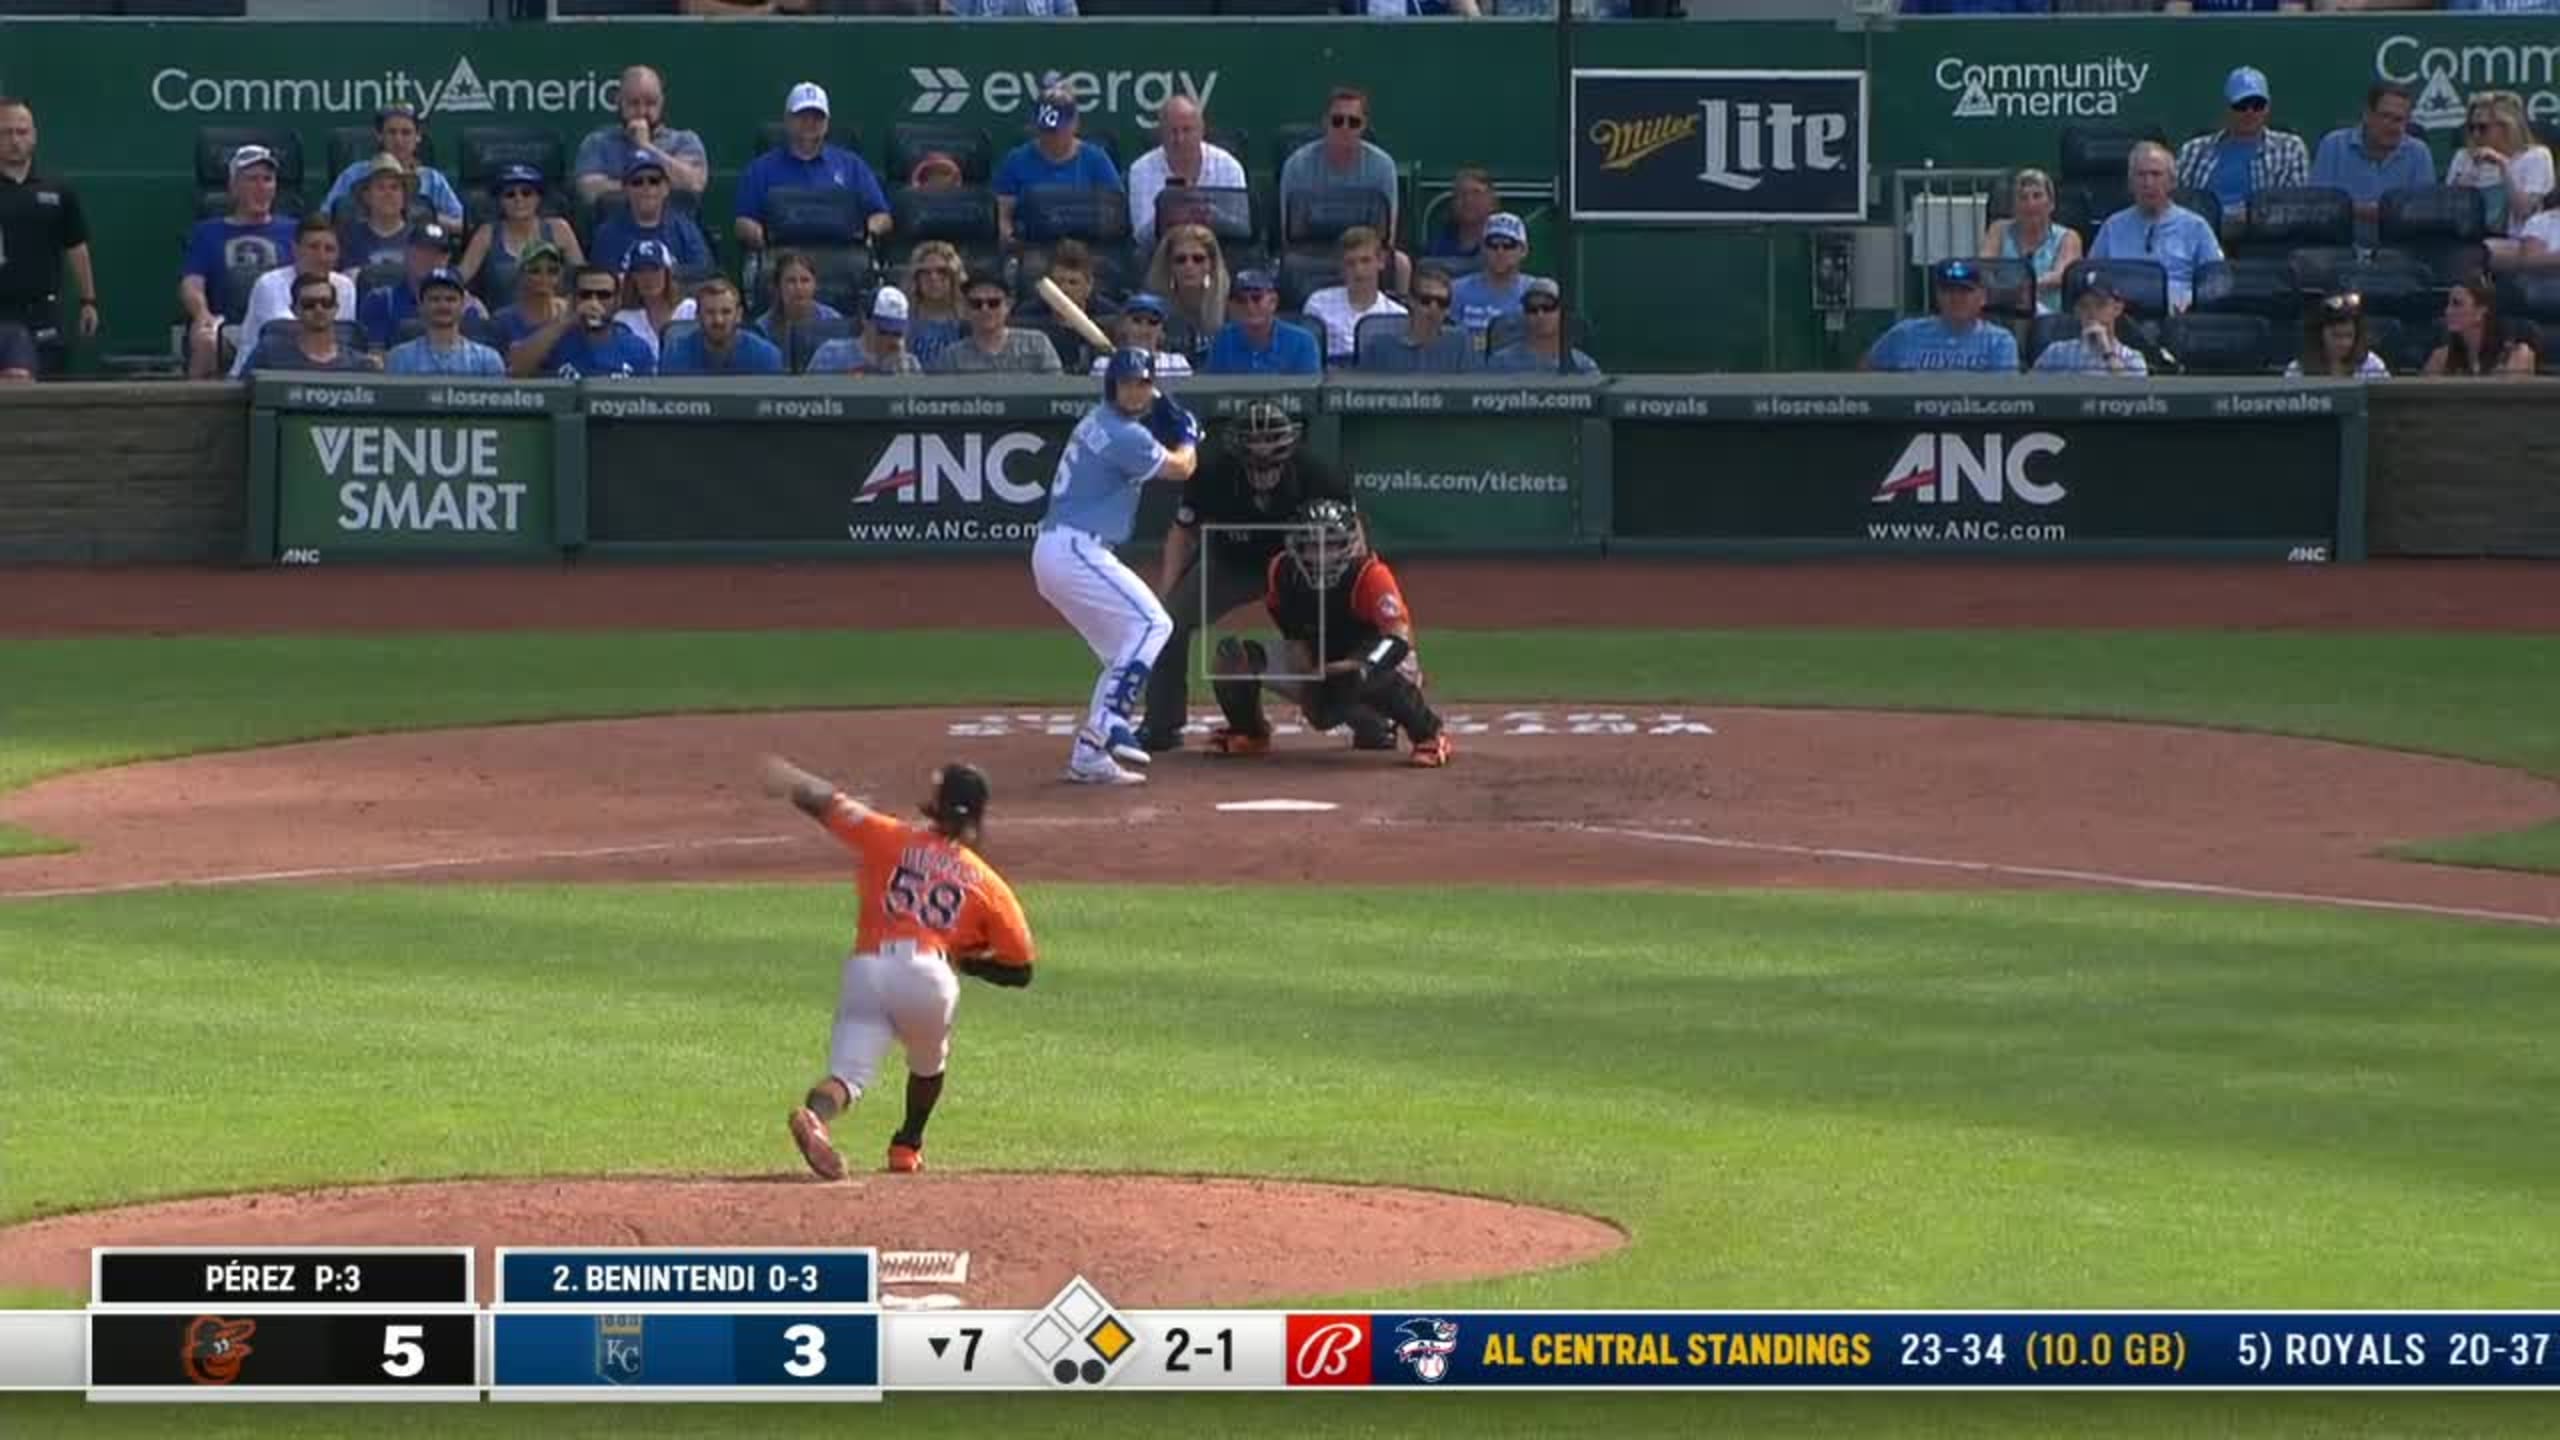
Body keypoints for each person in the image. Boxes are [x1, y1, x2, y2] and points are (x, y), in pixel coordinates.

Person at [761, 754, 1035, 1180]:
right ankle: (907, 1146)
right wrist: (966, 962)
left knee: (847, 1077)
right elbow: (1020, 969)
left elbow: (824, 800)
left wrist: (783, 775)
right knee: (929, 1064)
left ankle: (816, 1118)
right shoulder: (987, 883)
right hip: (929, 977)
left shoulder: (888, 836)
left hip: (868, 970)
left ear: (936, 802)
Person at [1137, 401, 1350, 752]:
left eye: (1271, 442)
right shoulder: (1212, 472)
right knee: (1168, 624)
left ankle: (1371, 719)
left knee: (1339, 634)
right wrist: (1167, 593)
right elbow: (1183, 532)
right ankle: (1162, 724)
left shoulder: (1317, 474)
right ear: (1236, 445)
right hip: (1230, 564)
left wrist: (1349, 591)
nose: (1263, 452)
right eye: (1255, 443)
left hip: (1298, 569)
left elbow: (1352, 535)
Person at [1032, 347, 1201, 786]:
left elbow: (1141, 442)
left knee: (1122, 654)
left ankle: (1089, 755)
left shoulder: (1100, 421)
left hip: (1060, 551)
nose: (1135, 391)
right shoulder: (1124, 435)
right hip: (1074, 549)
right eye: (1127, 384)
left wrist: (1162, 423)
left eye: (1143, 384)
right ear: (1113, 386)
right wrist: (1187, 434)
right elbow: (1182, 468)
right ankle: (1110, 719)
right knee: (1154, 624)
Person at [1203, 497, 1453, 770]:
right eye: (1313, 546)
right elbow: (1287, 622)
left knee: (1368, 683)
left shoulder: (1368, 575)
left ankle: (1429, 735)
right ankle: (1250, 734)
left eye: (1331, 545)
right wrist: (1304, 659)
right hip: (1320, 658)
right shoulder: (1281, 572)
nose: (1322, 555)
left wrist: (1358, 665)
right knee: (1233, 659)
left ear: (1348, 545)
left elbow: (1398, 638)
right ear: (1296, 546)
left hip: (1376, 657)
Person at [179, 144, 298, 378]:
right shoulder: (207, 233)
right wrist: (202, 314)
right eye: (252, 179)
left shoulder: (294, 231)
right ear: (233, 187)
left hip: (282, 325)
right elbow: (191, 284)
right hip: (229, 325)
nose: (261, 187)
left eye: (267, 179)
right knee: (204, 338)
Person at [0, 97, 99, 372]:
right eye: (6, 132)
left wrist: (88, 301)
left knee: (46, 384)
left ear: (34, 136)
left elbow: (76, 246)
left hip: (44, 312)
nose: (15, 140)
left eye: (22, 132)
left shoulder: (57, 189)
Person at [734, 82, 892, 254]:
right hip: (782, 258)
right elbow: (742, 222)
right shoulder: (760, 169)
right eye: (802, 116)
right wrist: (758, 236)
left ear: (827, 123)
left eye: (817, 117)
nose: (809, 123)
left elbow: (882, 216)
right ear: (787, 120)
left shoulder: (852, 165)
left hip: (842, 257)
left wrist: (868, 231)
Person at [1279, 87, 1403, 286]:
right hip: (1312, 255)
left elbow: (1387, 236)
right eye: (1337, 121)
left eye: (1353, 122)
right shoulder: (1297, 164)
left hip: (1363, 252)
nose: (1345, 128)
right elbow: (1289, 235)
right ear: (1325, 123)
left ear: (1363, 126)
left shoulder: (1383, 166)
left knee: (1402, 264)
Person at [2090, 141, 2222, 313]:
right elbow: (2091, 276)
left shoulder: (2196, 227)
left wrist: (2191, 300)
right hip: (2123, 314)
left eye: (2156, 174)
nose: (2148, 183)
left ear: (2172, 182)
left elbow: (2218, 281)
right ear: (2130, 183)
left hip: (2178, 316)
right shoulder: (2112, 226)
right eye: (2141, 175)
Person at [2171, 67, 2310, 229]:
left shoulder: (2290, 149)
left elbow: (2292, 209)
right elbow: (2174, 202)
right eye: (2241, 105)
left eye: (2257, 105)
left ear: (2268, 107)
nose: (2250, 112)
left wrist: (2244, 218)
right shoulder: (2193, 150)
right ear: (2227, 107)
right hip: (2200, 232)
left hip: (2262, 236)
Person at [222, 216, 356, 380]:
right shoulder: (269, 284)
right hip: (265, 371)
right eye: (313, 247)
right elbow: (281, 338)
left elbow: (343, 339)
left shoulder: (345, 286)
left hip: (327, 372)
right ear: (295, 250)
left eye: (329, 249)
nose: (321, 256)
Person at [991, 87, 1122, 251]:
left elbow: (1115, 213)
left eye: (1059, 129)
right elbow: (1003, 214)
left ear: (1074, 123)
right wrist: (1008, 235)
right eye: (1047, 130)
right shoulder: (1016, 160)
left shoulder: (1096, 159)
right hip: (1033, 249)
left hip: (1088, 249)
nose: (1053, 136)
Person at [1127, 95, 1247, 253]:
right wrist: (1168, 213)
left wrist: (1209, 213)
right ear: (1161, 134)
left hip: (1219, 250)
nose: (1180, 139)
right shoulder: (1141, 170)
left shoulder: (1228, 166)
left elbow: (1241, 227)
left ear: (1201, 131)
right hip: (1163, 253)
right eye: (1172, 132)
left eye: (1187, 130)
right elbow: (1141, 236)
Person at [574, 64, 709, 203]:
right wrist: (652, 187)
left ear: (661, 102)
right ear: (618, 101)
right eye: (634, 103)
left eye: (650, 103)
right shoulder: (598, 143)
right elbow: (589, 191)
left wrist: (646, 146)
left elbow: (695, 184)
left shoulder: (684, 141)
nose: (642, 111)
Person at [2310, 82, 2435, 229]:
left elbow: (2423, 212)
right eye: (2385, 116)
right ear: (2367, 115)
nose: (2392, 126)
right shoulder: (2333, 145)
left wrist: (2354, 210)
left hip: (2399, 239)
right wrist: (2367, 212)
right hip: (2342, 238)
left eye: (2399, 119)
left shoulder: (2419, 153)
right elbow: (2318, 206)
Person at [458, 163, 584, 308]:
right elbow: (459, 278)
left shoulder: (559, 229)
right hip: (499, 318)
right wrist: (472, 302)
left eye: (526, 193)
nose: (519, 199)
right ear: (500, 201)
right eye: (510, 195)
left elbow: (582, 279)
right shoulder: (487, 233)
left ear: (538, 198)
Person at [1862, 259, 2021, 372]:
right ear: (1937, 295)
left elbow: (2003, 398)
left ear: (1983, 297)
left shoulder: (1998, 342)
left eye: (1965, 291)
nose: (1956, 298)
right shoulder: (1905, 333)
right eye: (1948, 291)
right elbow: (1866, 374)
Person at [318, 104, 462, 227]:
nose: (398, 140)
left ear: (418, 137)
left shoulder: (433, 180)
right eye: (392, 132)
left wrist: (428, 218)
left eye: (406, 133)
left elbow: (460, 224)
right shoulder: (354, 174)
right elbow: (324, 217)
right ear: (379, 136)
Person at [511, 262, 657, 378]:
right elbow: (516, 368)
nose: (594, 302)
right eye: (585, 295)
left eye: (603, 295)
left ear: (617, 301)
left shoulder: (636, 349)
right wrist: (568, 320)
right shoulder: (553, 341)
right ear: (574, 299)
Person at [2445, 91, 2553, 244]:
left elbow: (2524, 212)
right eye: (2471, 127)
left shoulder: (2536, 157)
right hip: (2469, 240)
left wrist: (2503, 166)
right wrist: (2465, 183)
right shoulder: (2463, 157)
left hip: (2516, 242)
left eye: (2483, 128)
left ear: (2507, 127)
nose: (2476, 134)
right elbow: (2448, 212)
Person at [356, 223, 476, 349]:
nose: (430, 258)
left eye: (438, 253)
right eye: (423, 251)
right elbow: (375, 353)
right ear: (407, 252)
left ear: (447, 258)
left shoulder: (462, 304)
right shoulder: (381, 301)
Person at [1979, 169, 2081, 316]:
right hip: (2005, 313)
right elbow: (1984, 268)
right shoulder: (1998, 230)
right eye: (2023, 197)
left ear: (2051, 204)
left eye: (2037, 196)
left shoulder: (2068, 237)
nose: (2030, 203)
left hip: (2050, 318)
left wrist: (2024, 288)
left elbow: (2062, 276)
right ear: (2014, 206)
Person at [591, 151, 712, 273]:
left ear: (666, 188)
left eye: (654, 181)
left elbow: (703, 269)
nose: (646, 187)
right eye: (637, 182)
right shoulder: (607, 234)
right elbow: (603, 277)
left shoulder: (685, 229)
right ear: (626, 190)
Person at [1301, 226, 1406, 364]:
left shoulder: (1397, 316)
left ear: (1380, 262)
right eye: (1350, 263)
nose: (1358, 270)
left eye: (1365, 261)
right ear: (1341, 268)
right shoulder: (1318, 304)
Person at [931, 271, 1064, 373]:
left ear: (1008, 305)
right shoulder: (952, 357)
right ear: (966, 309)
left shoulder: (1037, 344)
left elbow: (1057, 390)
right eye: (976, 304)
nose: (985, 309)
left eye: (993, 303)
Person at [242, 272, 372, 375]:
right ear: (294, 310)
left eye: (326, 303)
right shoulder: (268, 354)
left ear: (336, 308)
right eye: (309, 304)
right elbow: (241, 392)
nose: (319, 309)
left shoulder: (358, 364)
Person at [384, 268, 505, 376]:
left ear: (463, 305)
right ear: (420, 305)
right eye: (434, 299)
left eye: (450, 299)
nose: (443, 305)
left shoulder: (487, 359)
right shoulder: (401, 357)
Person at [654, 276, 783, 375]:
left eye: (726, 312)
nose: (718, 320)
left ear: (739, 315)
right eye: (710, 312)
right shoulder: (675, 356)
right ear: (697, 316)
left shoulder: (766, 356)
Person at [2028, 270, 2149, 376]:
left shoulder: (2132, 358)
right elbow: (2029, 389)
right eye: (2084, 306)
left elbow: (2131, 392)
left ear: (2117, 308)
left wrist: (2107, 352)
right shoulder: (2056, 353)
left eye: (2100, 305)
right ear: (2076, 311)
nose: (2092, 312)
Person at [1357, 264, 1472, 373]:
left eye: (1442, 302)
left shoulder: (1459, 344)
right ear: (1411, 301)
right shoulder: (1380, 347)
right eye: (1426, 300)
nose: (1434, 308)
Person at [1204, 268, 1321, 375]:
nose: (1249, 306)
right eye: (1241, 300)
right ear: (1232, 305)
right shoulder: (1223, 340)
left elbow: (1306, 390)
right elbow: (1214, 388)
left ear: (1273, 302)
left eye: (1256, 298)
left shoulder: (1302, 343)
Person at [1025, 238, 1115, 371]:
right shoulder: (1027, 315)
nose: (1065, 289)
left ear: (1089, 285)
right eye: (1058, 282)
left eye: (1073, 282)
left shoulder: (1110, 316)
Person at [1451, 212, 1543, 339]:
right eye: (1492, 244)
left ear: (1523, 250)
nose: (1500, 251)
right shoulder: (1456, 291)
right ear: (1482, 248)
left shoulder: (1536, 292)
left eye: (1508, 245)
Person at [1143, 223, 1228, 358]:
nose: (1189, 266)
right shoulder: (1151, 310)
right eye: (1180, 260)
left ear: (1211, 264)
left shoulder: (1232, 306)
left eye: (1198, 259)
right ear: (1169, 265)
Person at [2422, 277, 2536, 376]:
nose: (2447, 311)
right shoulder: (2440, 357)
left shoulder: (2516, 354)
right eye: (2448, 304)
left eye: (2457, 304)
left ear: (2480, 311)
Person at [1485, 277, 1599, 374]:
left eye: (1548, 307)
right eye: (1532, 309)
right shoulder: (1501, 362)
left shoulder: (1583, 366)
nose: (1540, 315)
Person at [335, 154, 420, 278]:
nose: (388, 193)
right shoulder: (348, 237)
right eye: (380, 187)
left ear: (404, 196)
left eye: (394, 187)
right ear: (367, 197)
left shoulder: (419, 237)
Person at [611, 240, 698, 360]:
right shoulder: (623, 319)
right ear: (631, 277)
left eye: (655, 269)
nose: (648, 277)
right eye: (640, 270)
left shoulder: (691, 310)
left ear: (667, 272)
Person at [809, 285, 922, 374]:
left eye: (897, 333)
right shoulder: (831, 355)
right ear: (865, 320)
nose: (890, 338)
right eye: (883, 331)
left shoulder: (910, 365)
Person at [2284, 291, 2389, 379]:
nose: (2344, 343)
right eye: (2336, 336)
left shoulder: (2372, 365)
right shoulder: (2298, 368)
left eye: (2349, 335)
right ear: (2320, 334)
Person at [491, 241, 570, 356]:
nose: (544, 277)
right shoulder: (503, 321)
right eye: (535, 270)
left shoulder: (570, 311)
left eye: (552, 271)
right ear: (521, 274)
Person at [1088, 292, 1192, 378]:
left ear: (1161, 330)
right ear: (1124, 326)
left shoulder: (1177, 363)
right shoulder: (1104, 365)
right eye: (1137, 321)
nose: (1144, 329)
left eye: (1152, 322)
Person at [900, 240, 968, 366]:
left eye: (942, 271)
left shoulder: (970, 319)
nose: (933, 278)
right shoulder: (903, 320)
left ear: (954, 276)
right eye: (925, 272)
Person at [1426, 166, 1497, 262]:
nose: (1468, 200)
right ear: (1453, 203)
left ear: (1492, 202)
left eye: (1476, 193)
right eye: (1461, 194)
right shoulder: (1436, 248)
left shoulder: (1504, 246)